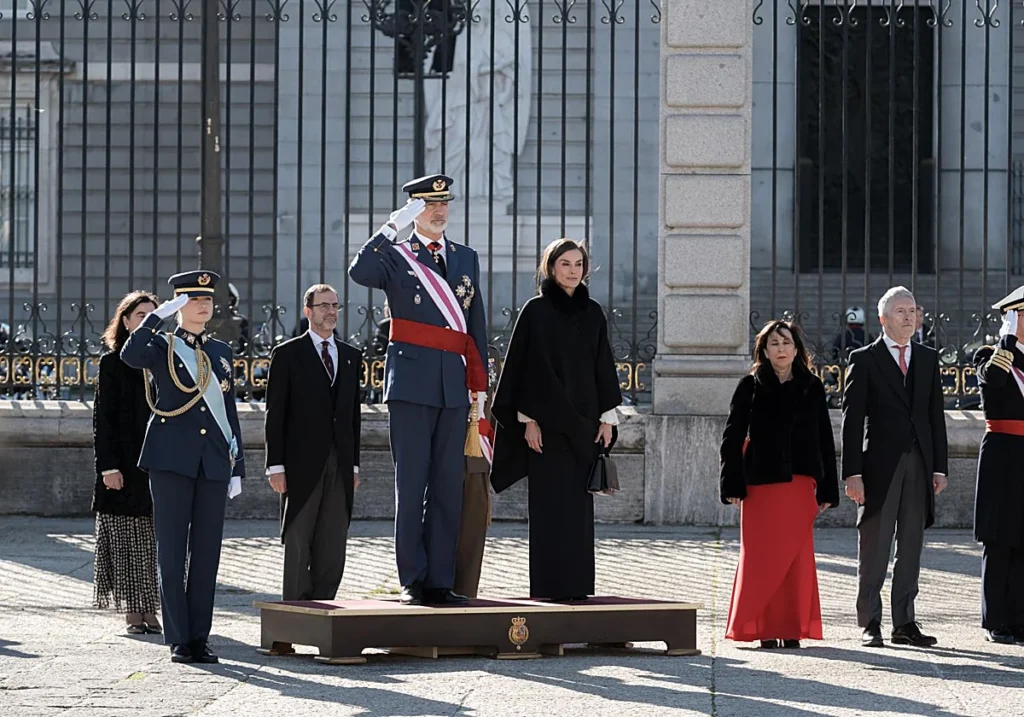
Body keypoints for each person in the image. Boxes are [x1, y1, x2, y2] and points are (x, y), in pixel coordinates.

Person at [348, 174, 488, 606]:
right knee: (412, 484)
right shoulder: (395, 255)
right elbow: (360, 271)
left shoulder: (465, 257)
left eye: (444, 203)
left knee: (448, 484)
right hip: (410, 383)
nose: (440, 211)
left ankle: (440, 580)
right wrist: (392, 226)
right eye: (429, 205)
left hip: (452, 385)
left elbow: (474, 321)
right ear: (413, 210)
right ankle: (413, 576)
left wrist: (478, 384)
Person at [120, 270, 246, 664]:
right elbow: (130, 355)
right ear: (178, 304)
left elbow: (228, 410)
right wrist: (157, 318)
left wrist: (237, 465)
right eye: (193, 299)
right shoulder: (160, 345)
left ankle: (199, 637)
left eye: (207, 298)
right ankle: (178, 638)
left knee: (207, 555)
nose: (203, 305)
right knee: (172, 554)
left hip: (212, 462)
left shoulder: (222, 352)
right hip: (171, 459)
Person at [489, 238, 622, 601]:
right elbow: (523, 368)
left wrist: (608, 417)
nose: (573, 270)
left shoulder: (592, 312)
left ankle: (578, 591)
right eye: (565, 263)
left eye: (579, 264)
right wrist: (527, 419)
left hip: (584, 428)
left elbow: (602, 365)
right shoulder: (535, 311)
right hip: (544, 429)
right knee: (549, 510)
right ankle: (548, 593)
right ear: (550, 267)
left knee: (579, 515)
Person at [720, 320, 839, 649]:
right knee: (761, 557)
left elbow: (824, 439)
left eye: (786, 342)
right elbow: (732, 436)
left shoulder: (812, 386)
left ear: (797, 348)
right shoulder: (750, 386)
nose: (781, 349)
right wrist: (731, 483)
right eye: (774, 343)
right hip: (761, 484)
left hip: (799, 484)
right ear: (764, 350)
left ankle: (791, 628)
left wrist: (828, 488)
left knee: (796, 560)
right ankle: (763, 628)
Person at [841, 286, 948, 648]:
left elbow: (935, 418)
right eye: (901, 311)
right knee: (875, 545)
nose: (909, 317)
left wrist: (940, 468)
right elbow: (852, 421)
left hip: (920, 464)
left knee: (912, 545)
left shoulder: (928, 357)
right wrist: (852, 473)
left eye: (913, 310)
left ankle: (905, 622)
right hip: (878, 467)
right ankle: (870, 621)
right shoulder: (864, 358)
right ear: (883, 319)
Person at [264, 283, 362, 601]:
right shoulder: (288, 354)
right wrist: (275, 466)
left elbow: (352, 417)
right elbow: (275, 415)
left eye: (335, 305)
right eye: (324, 306)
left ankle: (325, 612)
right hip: (299, 464)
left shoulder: (350, 356)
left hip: (340, 463)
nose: (331, 311)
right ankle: (293, 615)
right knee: (298, 539)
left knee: (333, 541)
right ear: (308, 311)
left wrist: (354, 464)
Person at [92, 290, 162, 635]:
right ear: (125, 321)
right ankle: (135, 611)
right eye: (140, 316)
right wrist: (108, 468)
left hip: (160, 466)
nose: (147, 322)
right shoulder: (113, 362)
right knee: (127, 541)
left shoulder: (165, 360)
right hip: (124, 464)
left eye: (153, 317)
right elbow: (103, 420)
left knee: (154, 543)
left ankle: (153, 607)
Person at [971, 287, 1024, 645]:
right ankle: (996, 619)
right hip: (1003, 454)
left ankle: (1019, 617)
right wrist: (1006, 342)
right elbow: (994, 384)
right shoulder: (990, 356)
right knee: (1000, 537)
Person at [453, 397, 495, 599]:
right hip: (443, 450)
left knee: (472, 527)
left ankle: (466, 591)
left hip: (476, 456)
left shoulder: (491, 365)